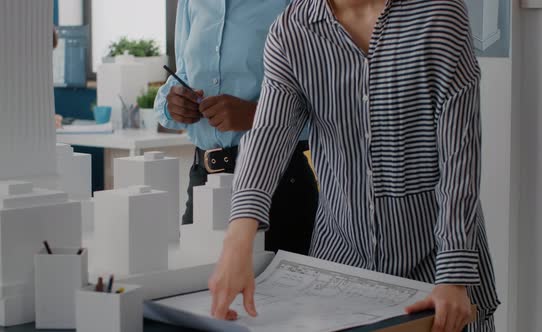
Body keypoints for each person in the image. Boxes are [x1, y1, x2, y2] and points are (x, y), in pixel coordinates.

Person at [208, 0, 500, 331]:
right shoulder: (291, 31)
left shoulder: (439, 13)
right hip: (341, 267)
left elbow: (459, 156)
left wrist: (453, 275)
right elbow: (268, 135)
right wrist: (238, 238)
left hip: (440, 269)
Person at [154, 0, 318, 255]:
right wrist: (172, 103)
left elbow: (331, 105)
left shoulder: (296, 4)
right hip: (203, 180)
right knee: (194, 289)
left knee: (273, 294)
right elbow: (183, 73)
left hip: (277, 185)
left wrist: (259, 115)